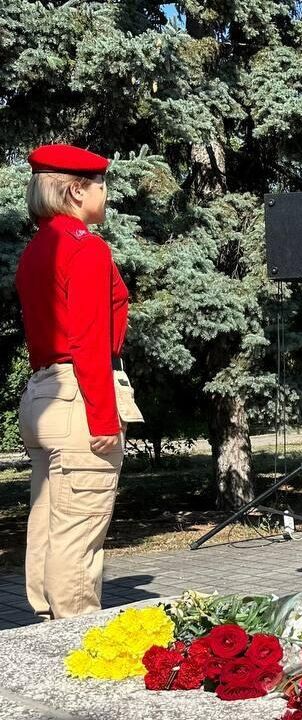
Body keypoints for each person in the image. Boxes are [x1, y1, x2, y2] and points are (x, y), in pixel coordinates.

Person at [17, 144, 144, 620]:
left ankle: (44, 629)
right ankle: (75, 635)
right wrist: (103, 416)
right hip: (79, 395)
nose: (105, 194)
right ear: (75, 190)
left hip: (44, 393)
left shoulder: (38, 247)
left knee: (49, 525)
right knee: (79, 531)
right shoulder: (84, 246)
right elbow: (89, 339)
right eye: (99, 186)